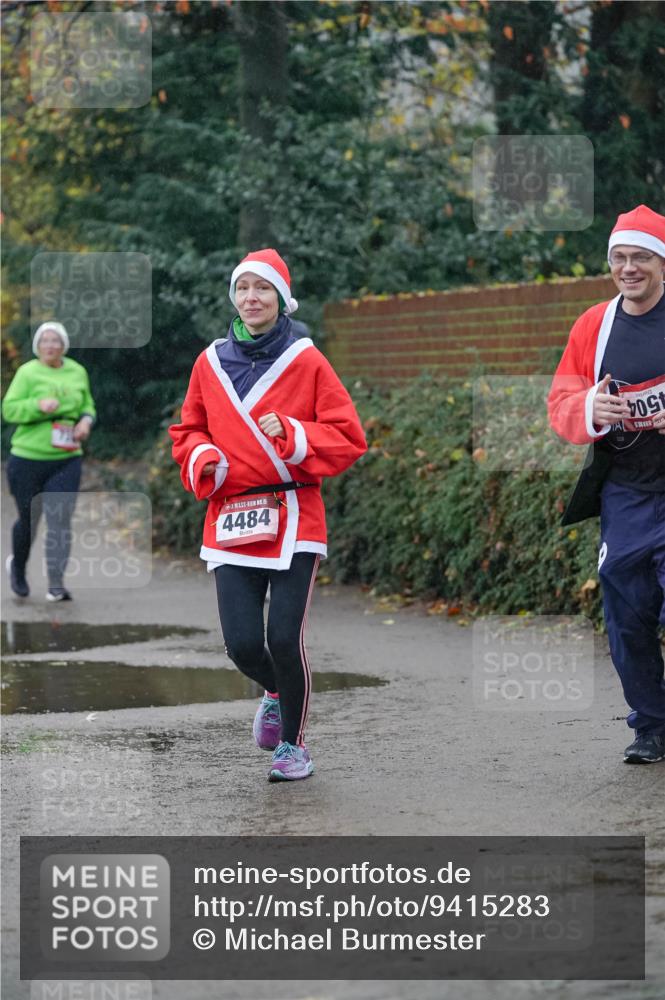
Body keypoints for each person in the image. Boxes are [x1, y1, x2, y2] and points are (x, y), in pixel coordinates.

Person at [169, 249, 367, 781]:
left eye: (263, 289)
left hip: (294, 513)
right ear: (233, 297)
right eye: (243, 288)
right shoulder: (209, 362)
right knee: (241, 644)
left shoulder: (307, 360)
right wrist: (202, 457)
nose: (251, 298)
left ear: (281, 299)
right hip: (230, 514)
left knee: (284, 637)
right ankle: (276, 690)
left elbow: (349, 436)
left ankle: (294, 747)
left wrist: (298, 435)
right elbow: (188, 431)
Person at [548, 205, 665, 764]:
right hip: (625, 493)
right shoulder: (594, 325)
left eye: (640, 256)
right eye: (619, 257)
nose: (628, 267)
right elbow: (560, 404)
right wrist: (591, 405)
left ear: (661, 261)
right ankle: (652, 725)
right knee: (628, 615)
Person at [2, 321, 96, 601]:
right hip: (27, 458)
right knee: (28, 520)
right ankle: (17, 568)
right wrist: (36, 405)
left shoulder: (77, 371)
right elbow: (8, 409)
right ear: (38, 346)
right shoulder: (27, 372)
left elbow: (87, 405)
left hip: (66, 458)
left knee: (60, 520)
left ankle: (56, 583)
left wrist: (86, 421)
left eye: (56, 341)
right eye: (45, 341)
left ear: (64, 345)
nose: (51, 345)